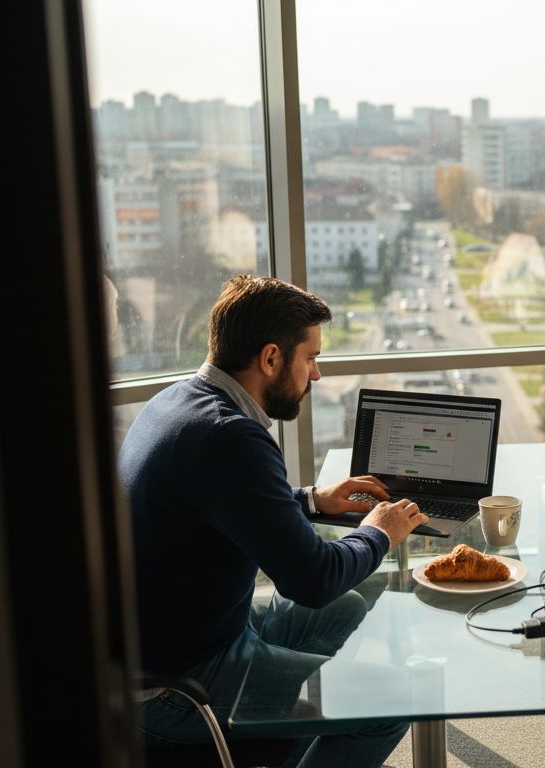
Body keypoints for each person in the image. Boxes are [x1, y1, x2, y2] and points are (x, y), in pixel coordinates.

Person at [122, 275, 429, 767]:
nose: (317, 374)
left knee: (346, 608)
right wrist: (379, 532)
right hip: (174, 684)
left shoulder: (179, 401)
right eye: (310, 358)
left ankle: (301, 737)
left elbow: (224, 502)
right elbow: (313, 580)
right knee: (390, 701)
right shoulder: (230, 437)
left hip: (195, 637)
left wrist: (313, 500)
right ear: (270, 358)